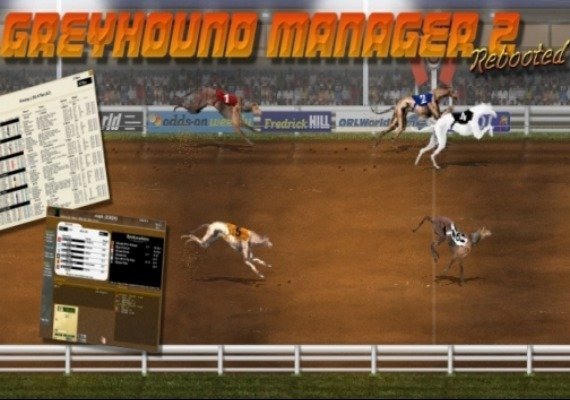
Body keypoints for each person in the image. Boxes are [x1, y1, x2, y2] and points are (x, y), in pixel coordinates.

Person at [174, 87, 261, 146]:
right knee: (238, 124)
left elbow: (232, 100)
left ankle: (250, 133)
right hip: (220, 102)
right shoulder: (212, 96)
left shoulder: (218, 97)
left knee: (238, 124)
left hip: (222, 103)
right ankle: (250, 135)